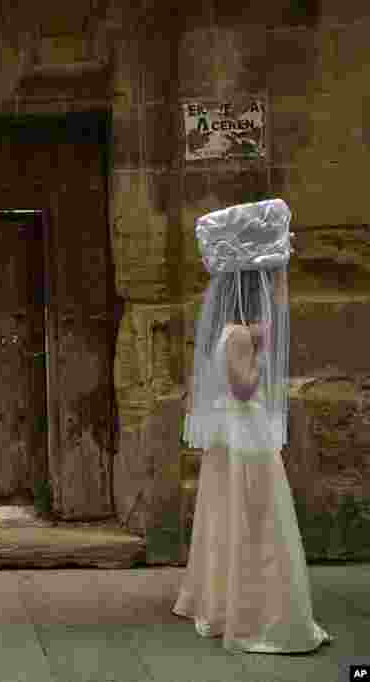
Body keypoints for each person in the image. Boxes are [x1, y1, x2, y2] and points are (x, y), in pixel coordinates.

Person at [173, 198, 331, 653]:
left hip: (231, 431)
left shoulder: (228, 332)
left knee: (229, 510)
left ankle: (222, 595)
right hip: (247, 428)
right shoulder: (240, 336)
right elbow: (244, 388)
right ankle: (256, 606)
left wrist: (281, 275)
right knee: (256, 512)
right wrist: (262, 356)